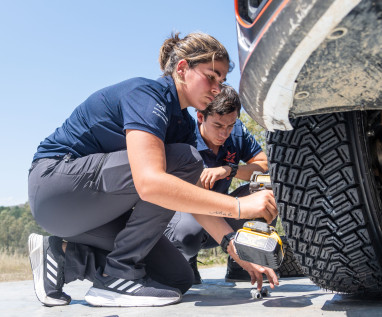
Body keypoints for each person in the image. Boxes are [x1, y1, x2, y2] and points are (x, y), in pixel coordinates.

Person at [27, 32, 278, 308]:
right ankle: (118, 272)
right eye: (211, 76)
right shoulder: (146, 95)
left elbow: (192, 202)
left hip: (95, 213)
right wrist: (239, 206)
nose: (218, 88)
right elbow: (150, 183)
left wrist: (235, 247)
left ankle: (64, 257)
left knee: (176, 279)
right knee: (187, 160)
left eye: (222, 80)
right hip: (56, 189)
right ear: (182, 69)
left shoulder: (181, 126)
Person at [165, 85, 271, 284]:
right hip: (184, 218)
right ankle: (184, 260)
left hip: (222, 213)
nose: (225, 133)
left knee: (266, 191)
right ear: (200, 117)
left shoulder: (237, 131)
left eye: (230, 125)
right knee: (188, 232)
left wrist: (230, 169)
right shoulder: (182, 135)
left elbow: (264, 166)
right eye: (218, 125)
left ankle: (241, 262)